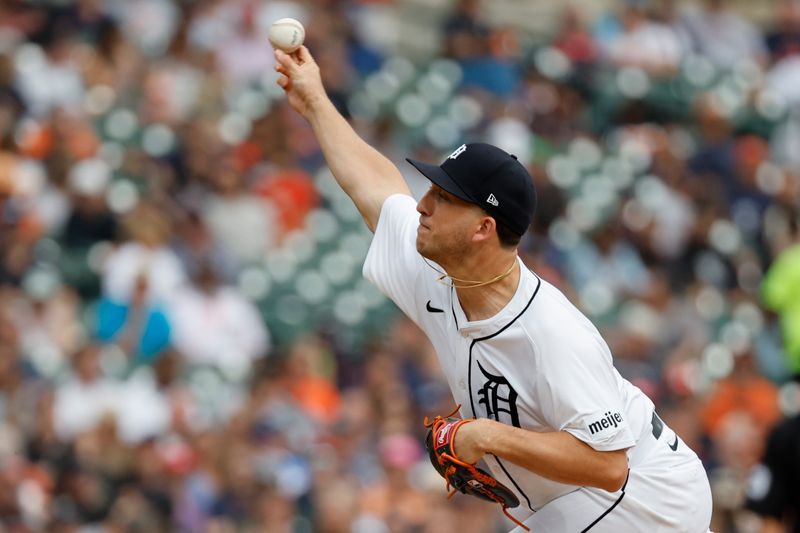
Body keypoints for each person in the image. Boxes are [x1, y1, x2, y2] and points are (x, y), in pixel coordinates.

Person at [273, 46, 713, 532]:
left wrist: (485, 435)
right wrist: (314, 99)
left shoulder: (549, 332)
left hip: (646, 500)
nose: (423, 206)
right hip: (582, 499)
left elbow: (608, 466)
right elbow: (377, 189)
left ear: (483, 228)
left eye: (442, 197)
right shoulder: (437, 273)